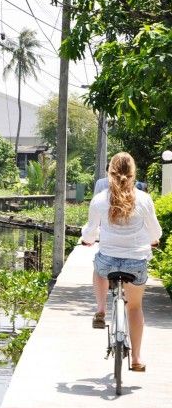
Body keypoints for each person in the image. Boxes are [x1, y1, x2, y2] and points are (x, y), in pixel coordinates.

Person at [81, 152, 162, 372]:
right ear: (133, 174)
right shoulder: (144, 200)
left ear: (110, 173)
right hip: (135, 264)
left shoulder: (99, 200)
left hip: (108, 261)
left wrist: (86, 240)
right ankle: (136, 359)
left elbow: (90, 233)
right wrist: (152, 240)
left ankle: (100, 310)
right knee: (135, 308)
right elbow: (156, 232)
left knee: (98, 268)